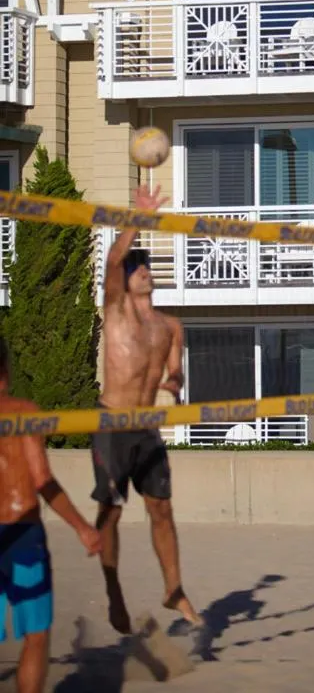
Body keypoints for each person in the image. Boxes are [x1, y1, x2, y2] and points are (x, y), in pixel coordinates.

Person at [91, 183, 201, 634]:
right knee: (111, 513)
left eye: (145, 266)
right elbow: (115, 260)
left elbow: (175, 373)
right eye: (137, 267)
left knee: (162, 509)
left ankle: (174, 588)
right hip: (112, 422)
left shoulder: (170, 326)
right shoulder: (116, 311)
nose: (142, 271)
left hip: (147, 426)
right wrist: (137, 219)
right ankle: (113, 590)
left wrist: (175, 384)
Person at [0, 335, 101, 693]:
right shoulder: (23, 412)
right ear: (6, 371)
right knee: (36, 637)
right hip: (22, 531)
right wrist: (82, 527)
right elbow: (42, 480)